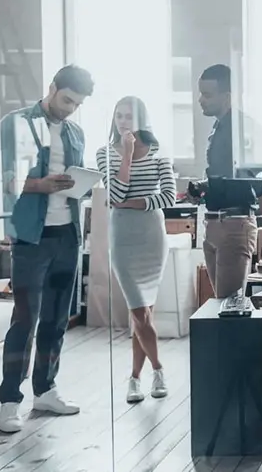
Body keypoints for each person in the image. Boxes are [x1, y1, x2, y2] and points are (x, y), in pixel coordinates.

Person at [0, 65, 94, 434]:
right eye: (67, 99)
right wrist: (43, 185)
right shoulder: (16, 123)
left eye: (77, 104)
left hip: (67, 236)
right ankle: (9, 402)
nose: (70, 108)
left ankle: (46, 389)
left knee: (56, 320)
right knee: (24, 321)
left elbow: (74, 181)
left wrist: (79, 185)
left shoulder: (75, 132)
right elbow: (5, 179)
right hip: (30, 239)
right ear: (51, 88)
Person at [96, 96, 176, 403]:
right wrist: (127, 154)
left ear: (142, 119)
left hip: (152, 237)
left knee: (142, 316)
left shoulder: (158, 153)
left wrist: (132, 203)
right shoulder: (104, 153)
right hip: (123, 239)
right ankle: (158, 369)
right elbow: (113, 192)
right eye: (119, 116)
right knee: (140, 312)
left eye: (129, 116)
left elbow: (168, 197)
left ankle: (133, 379)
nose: (123, 121)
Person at [194, 64, 262, 297]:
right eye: (200, 94)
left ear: (226, 97)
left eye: (207, 95)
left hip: (235, 226)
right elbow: (227, 180)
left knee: (229, 309)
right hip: (214, 225)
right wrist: (202, 189)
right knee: (221, 306)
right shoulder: (217, 128)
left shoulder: (246, 131)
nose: (201, 100)